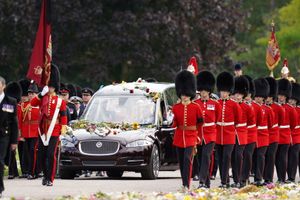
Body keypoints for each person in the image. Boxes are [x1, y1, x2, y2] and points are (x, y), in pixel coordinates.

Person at [31, 64, 67, 186]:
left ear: (55, 87)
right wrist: (41, 94)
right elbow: (32, 103)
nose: (50, 88)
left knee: (51, 155)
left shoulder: (60, 101)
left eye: (52, 86)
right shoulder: (42, 98)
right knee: (42, 154)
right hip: (42, 130)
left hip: (54, 130)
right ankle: (45, 176)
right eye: (49, 86)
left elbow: (63, 117)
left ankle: (50, 178)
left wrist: (63, 132)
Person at [172, 70, 203, 192]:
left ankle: (186, 184)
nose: (183, 95)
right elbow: (175, 124)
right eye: (182, 93)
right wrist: (171, 117)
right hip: (179, 136)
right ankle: (183, 182)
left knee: (187, 160)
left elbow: (200, 124)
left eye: (185, 93)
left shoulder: (196, 107)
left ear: (190, 93)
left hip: (191, 136)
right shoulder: (176, 107)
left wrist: (198, 137)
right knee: (181, 162)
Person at [195, 71, 221, 188]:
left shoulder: (215, 104)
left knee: (206, 156)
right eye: (201, 91)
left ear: (209, 91)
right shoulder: (195, 104)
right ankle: (207, 182)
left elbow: (218, 118)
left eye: (205, 91)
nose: (203, 93)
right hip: (199, 134)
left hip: (210, 134)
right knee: (200, 158)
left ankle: (201, 180)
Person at [215, 71, 242, 188]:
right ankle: (224, 181)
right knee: (220, 158)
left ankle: (225, 181)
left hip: (229, 134)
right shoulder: (217, 103)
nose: (223, 94)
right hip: (218, 134)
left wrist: (229, 126)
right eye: (222, 91)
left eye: (225, 92)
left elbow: (238, 119)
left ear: (229, 92)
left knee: (227, 157)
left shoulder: (234, 104)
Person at [231, 76, 253, 188]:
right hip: (231, 133)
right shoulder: (231, 105)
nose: (238, 96)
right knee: (233, 157)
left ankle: (242, 178)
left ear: (243, 94)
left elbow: (250, 122)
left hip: (242, 134)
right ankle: (236, 179)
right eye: (236, 94)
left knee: (239, 156)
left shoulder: (247, 107)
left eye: (240, 94)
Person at [0, 76, 18, 197]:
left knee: (0, 161)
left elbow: (14, 123)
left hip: (4, 137)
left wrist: (14, 141)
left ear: (3, 86)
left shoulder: (10, 101)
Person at [252, 78, 272, 186]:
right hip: (254, 135)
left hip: (263, 135)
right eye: (257, 96)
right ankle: (255, 176)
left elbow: (270, 124)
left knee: (261, 157)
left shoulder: (268, 109)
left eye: (260, 96)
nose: (258, 98)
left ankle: (259, 178)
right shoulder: (252, 107)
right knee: (254, 157)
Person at [263, 77, 283, 184]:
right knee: (263, 157)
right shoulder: (262, 107)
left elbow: (280, 121)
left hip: (274, 135)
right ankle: (262, 176)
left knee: (271, 157)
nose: (268, 99)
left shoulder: (278, 108)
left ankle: (269, 178)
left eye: (270, 97)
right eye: (267, 96)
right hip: (264, 135)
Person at [19, 81, 40, 179]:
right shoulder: (24, 105)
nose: (31, 95)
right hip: (26, 132)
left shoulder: (40, 104)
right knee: (27, 152)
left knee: (33, 151)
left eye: (33, 93)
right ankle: (28, 171)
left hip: (36, 131)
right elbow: (20, 119)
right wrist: (20, 133)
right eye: (29, 93)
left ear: (36, 94)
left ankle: (34, 171)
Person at [240, 75, 257, 187]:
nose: (248, 97)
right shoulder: (241, 105)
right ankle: (241, 177)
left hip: (251, 133)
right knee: (241, 156)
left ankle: (246, 177)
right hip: (242, 133)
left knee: (248, 155)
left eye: (250, 95)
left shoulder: (255, 106)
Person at [276, 78, 293, 184]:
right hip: (277, 134)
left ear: (286, 96)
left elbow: (294, 123)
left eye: (282, 95)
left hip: (286, 134)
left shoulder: (290, 108)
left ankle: (283, 178)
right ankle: (279, 177)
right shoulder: (275, 107)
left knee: (283, 157)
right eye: (279, 95)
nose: (280, 97)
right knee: (277, 158)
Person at [4, 81, 22, 180]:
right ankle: (13, 171)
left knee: (12, 152)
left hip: (14, 131)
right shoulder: (7, 103)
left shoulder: (17, 105)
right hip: (7, 130)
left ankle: (12, 172)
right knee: (10, 152)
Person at [287, 83, 300, 183]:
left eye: (293, 99)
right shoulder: (286, 109)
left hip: (298, 135)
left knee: (296, 157)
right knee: (291, 157)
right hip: (290, 136)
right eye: (290, 99)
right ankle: (291, 177)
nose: (291, 101)